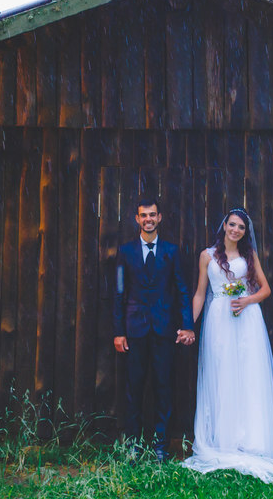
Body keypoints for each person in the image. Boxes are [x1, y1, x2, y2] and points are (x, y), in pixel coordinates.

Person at [181, 208, 273, 482]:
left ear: (245, 232)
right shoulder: (207, 256)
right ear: (224, 225)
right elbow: (201, 294)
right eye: (232, 225)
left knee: (248, 376)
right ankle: (223, 439)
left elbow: (265, 289)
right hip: (217, 321)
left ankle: (250, 439)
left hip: (246, 319)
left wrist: (246, 301)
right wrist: (189, 324)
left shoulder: (249, 256)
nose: (235, 230)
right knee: (221, 375)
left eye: (241, 227)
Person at [112, 197, 196, 462]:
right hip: (134, 331)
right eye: (143, 215)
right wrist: (118, 330)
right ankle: (134, 445)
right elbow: (118, 293)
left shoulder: (172, 251)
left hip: (163, 330)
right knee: (133, 389)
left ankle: (160, 445)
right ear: (137, 219)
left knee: (163, 388)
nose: (148, 219)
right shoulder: (125, 252)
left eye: (152, 215)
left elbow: (183, 290)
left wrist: (187, 325)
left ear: (160, 218)